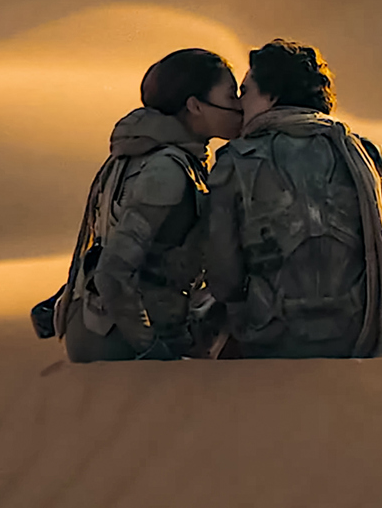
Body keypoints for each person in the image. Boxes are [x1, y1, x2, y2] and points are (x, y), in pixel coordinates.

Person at [203, 39, 382, 359]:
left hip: (267, 338)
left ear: (271, 96)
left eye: (246, 91)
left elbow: (225, 280)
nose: (239, 103)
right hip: (359, 339)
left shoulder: (234, 159)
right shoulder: (359, 150)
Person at [35, 48, 244, 362]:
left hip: (100, 328)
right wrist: (153, 352)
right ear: (195, 106)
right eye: (231, 96)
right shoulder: (167, 169)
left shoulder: (138, 155)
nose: (239, 107)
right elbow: (112, 273)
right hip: (119, 341)